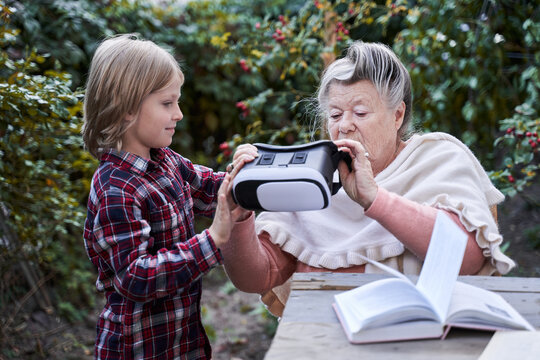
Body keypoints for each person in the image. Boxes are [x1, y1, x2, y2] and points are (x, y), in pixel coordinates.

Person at [221, 41, 515, 317]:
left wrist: (375, 199)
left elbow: (467, 259)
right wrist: (240, 213)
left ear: (397, 115)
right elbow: (255, 278)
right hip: (318, 343)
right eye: (335, 115)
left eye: (360, 112)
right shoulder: (311, 181)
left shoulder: (437, 158)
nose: (345, 125)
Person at [82, 34, 252, 359]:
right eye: (167, 103)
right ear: (127, 108)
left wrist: (248, 176)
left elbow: (213, 190)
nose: (179, 114)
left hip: (183, 341)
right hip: (137, 349)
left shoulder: (166, 160)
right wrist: (213, 240)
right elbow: (136, 277)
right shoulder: (115, 188)